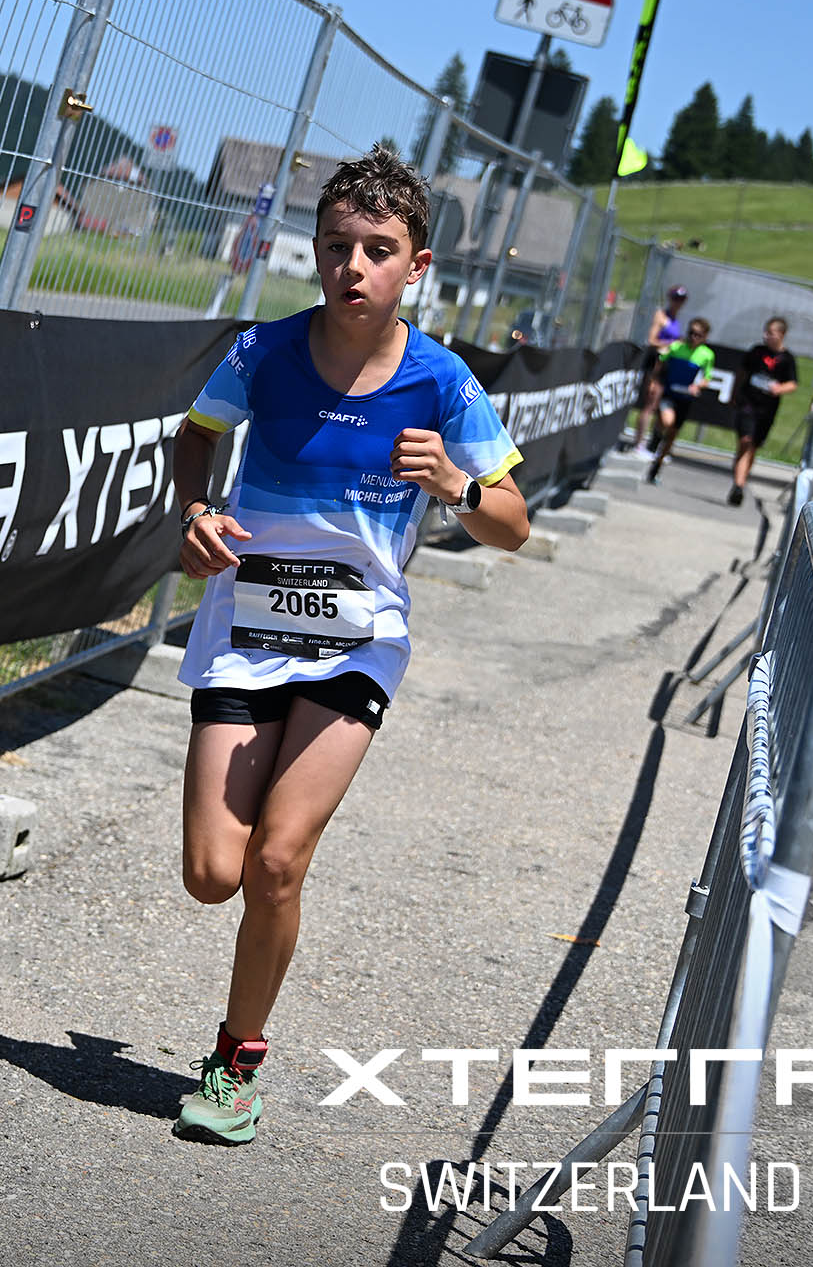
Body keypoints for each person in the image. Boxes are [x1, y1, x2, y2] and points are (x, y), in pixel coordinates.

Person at [166, 146, 529, 1146]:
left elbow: (514, 525)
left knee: (278, 862)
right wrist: (195, 510)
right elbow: (196, 435)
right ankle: (238, 1009)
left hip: (356, 641)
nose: (352, 266)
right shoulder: (264, 352)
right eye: (337, 245)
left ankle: (237, 1063)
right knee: (213, 873)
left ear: (417, 266)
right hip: (246, 628)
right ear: (316, 250)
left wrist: (456, 484)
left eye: (379, 249)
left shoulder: (443, 383)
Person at [728, 316, 800, 505]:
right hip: (748, 403)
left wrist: (779, 388)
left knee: (752, 447)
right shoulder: (756, 351)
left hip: (767, 410)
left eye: (771, 333)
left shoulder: (787, 359)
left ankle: (739, 481)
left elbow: (793, 383)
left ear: (781, 335)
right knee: (745, 440)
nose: (766, 336)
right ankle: (738, 485)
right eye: (766, 332)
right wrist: (734, 393)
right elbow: (742, 372)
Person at [644, 317, 714, 483]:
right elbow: (660, 362)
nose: (693, 337)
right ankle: (656, 435)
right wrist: (654, 380)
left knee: (672, 434)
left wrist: (698, 386)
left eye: (698, 335)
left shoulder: (707, 355)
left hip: (685, 397)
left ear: (704, 337)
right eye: (691, 333)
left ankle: (657, 466)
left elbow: (707, 377)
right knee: (667, 420)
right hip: (669, 392)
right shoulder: (676, 347)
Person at [629, 286, 688, 456]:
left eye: (681, 299)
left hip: (665, 365)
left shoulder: (676, 319)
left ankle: (649, 444)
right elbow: (651, 340)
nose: (678, 302)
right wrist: (670, 343)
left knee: (655, 405)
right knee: (649, 404)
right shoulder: (661, 316)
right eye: (676, 298)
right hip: (655, 363)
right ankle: (638, 443)